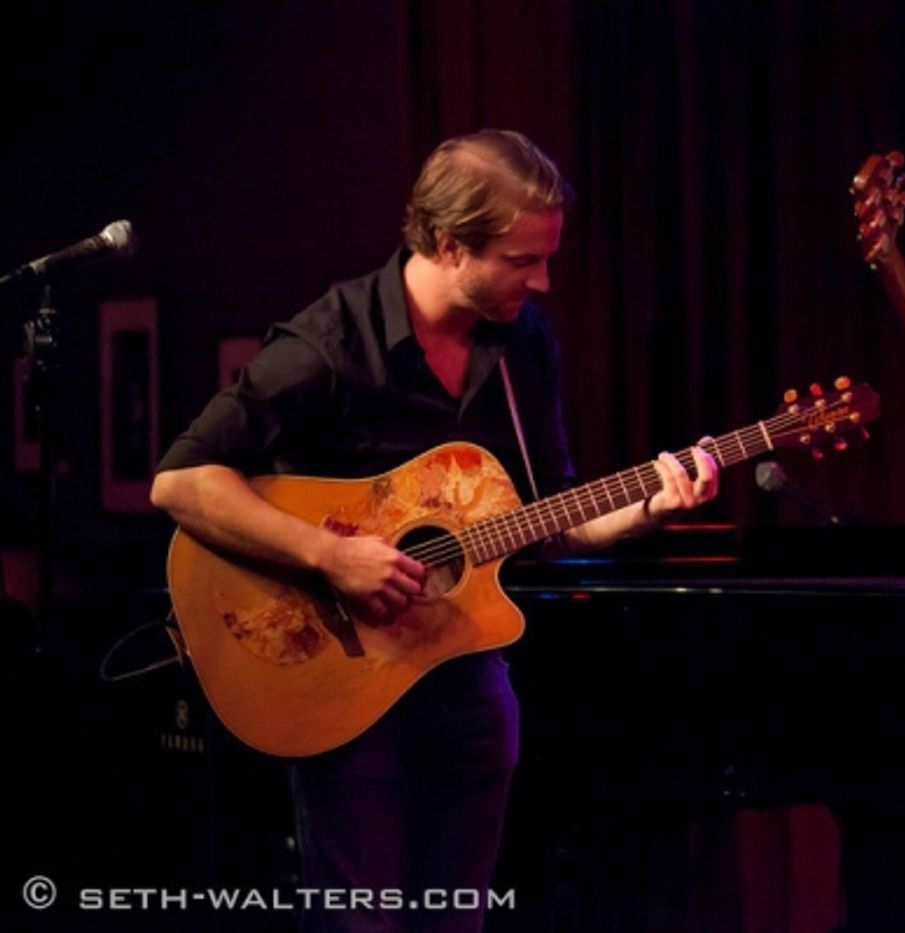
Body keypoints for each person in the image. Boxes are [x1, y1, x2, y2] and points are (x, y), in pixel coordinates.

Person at [150, 129, 718, 932]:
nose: (544, 280)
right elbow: (181, 479)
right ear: (451, 245)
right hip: (341, 676)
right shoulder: (329, 344)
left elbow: (547, 515)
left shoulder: (522, 342)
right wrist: (333, 554)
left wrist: (650, 505)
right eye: (523, 260)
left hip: (465, 669)